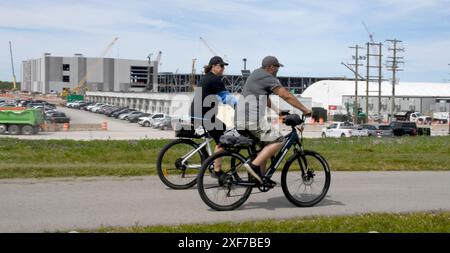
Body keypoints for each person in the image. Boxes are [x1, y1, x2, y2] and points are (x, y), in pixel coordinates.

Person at [235, 56, 312, 184]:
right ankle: (253, 166)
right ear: (271, 67)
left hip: (241, 119)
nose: (278, 70)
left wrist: (278, 111)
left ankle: (260, 177)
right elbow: (285, 95)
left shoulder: (256, 74)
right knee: (279, 140)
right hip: (251, 120)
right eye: (277, 67)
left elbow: (265, 98)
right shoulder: (267, 77)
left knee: (265, 144)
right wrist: (304, 109)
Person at [190, 56, 237, 178]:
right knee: (223, 139)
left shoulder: (207, 78)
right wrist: (240, 106)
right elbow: (227, 98)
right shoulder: (214, 79)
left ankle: (210, 161)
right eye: (221, 66)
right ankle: (217, 171)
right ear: (214, 66)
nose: (223, 69)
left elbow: (219, 98)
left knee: (220, 130)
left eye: (224, 66)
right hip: (204, 116)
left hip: (199, 114)